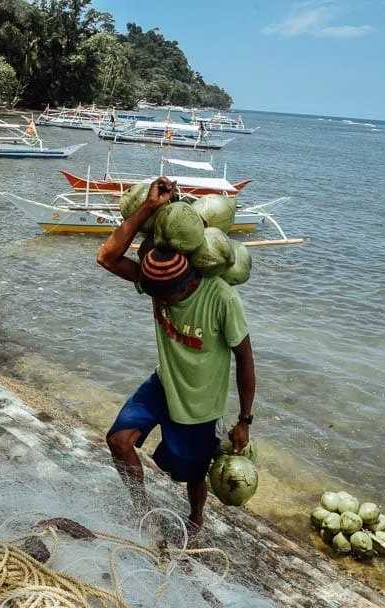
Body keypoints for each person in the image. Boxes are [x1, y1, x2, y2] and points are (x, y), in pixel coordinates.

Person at [96, 176, 256, 536]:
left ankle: (196, 521)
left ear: (188, 284)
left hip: (200, 404)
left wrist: (245, 419)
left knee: (192, 474)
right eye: (156, 296)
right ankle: (143, 512)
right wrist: (148, 208)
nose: (161, 303)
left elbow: (245, 359)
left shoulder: (221, 299)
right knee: (118, 441)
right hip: (163, 383)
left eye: (167, 298)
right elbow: (106, 256)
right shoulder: (157, 279)